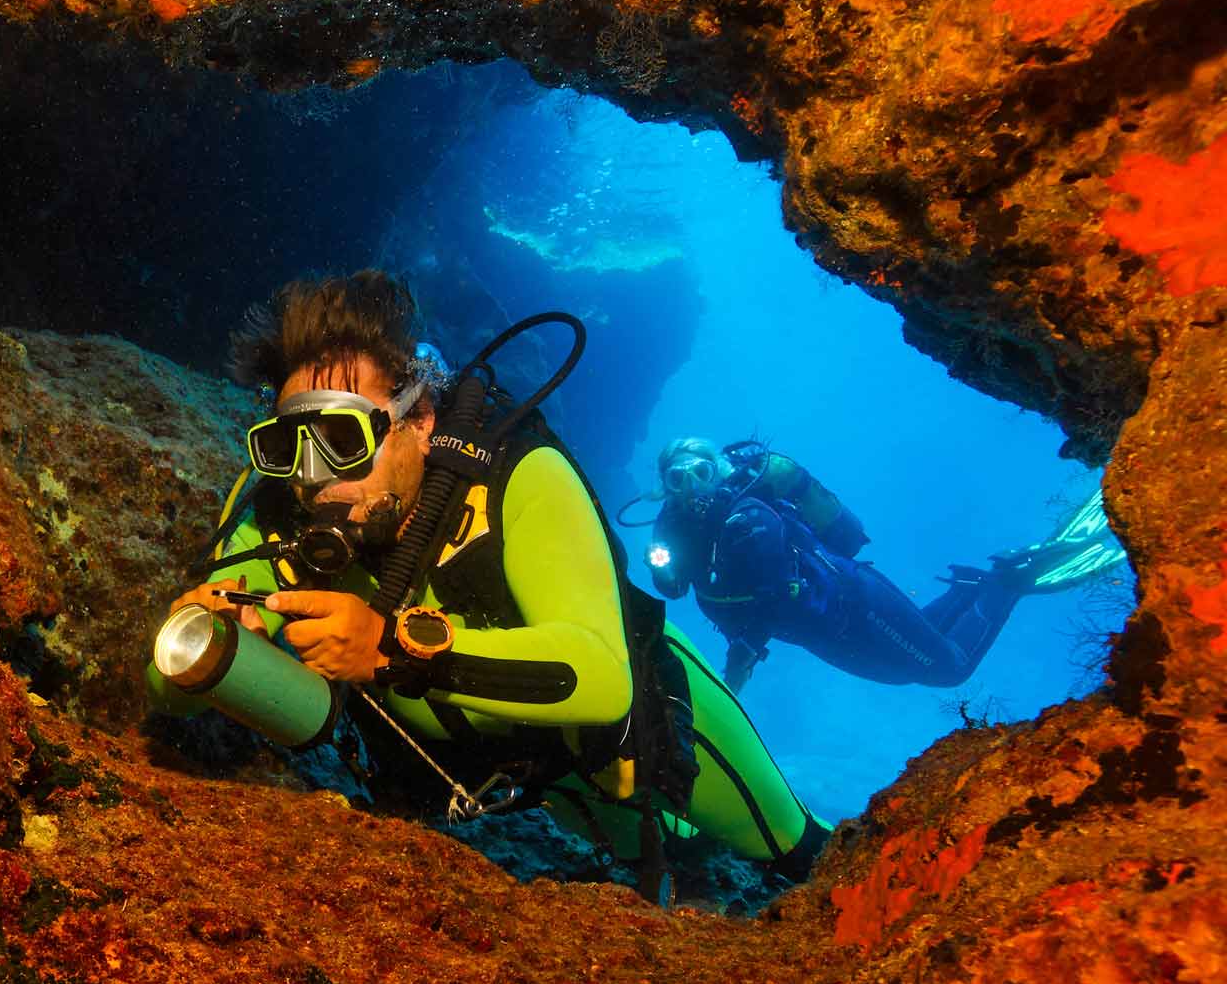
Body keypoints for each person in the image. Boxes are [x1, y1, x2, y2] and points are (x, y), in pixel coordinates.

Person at [146, 271, 829, 889]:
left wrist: (392, 649)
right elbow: (167, 687)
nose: (314, 477)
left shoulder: (519, 479)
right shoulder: (275, 511)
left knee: (799, 859)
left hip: (639, 740)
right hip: (531, 788)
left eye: (345, 441)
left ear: (420, 419)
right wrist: (203, 643)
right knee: (659, 878)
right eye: (287, 446)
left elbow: (601, 675)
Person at [645, 437, 1123, 693]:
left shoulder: (748, 519)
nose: (692, 488)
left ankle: (1009, 579)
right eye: (678, 479)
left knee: (947, 671)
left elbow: (769, 597)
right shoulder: (679, 531)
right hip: (826, 630)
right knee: (906, 668)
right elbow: (673, 588)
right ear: (667, 486)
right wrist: (664, 556)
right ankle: (971, 586)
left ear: (719, 473)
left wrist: (737, 670)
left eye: (701, 473)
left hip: (855, 606)